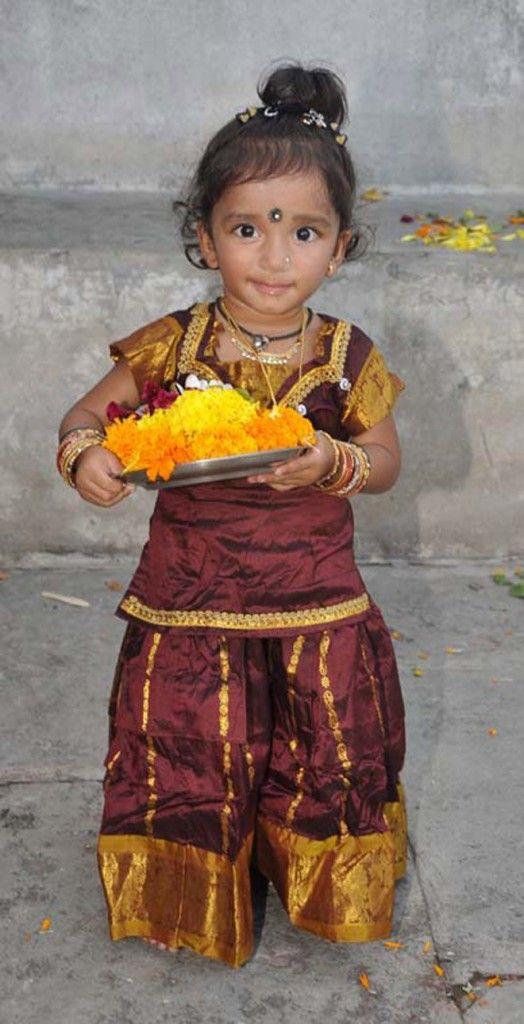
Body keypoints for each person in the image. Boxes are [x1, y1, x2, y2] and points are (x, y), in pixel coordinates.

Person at [57, 61, 408, 969]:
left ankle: (315, 879)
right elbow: (85, 417)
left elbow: (388, 465)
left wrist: (337, 461)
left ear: (339, 247)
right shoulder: (174, 344)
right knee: (185, 745)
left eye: (303, 231)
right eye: (247, 228)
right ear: (207, 240)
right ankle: (192, 891)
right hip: (189, 600)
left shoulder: (345, 356)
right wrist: (85, 458)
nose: (274, 255)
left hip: (313, 603)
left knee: (324, 750)